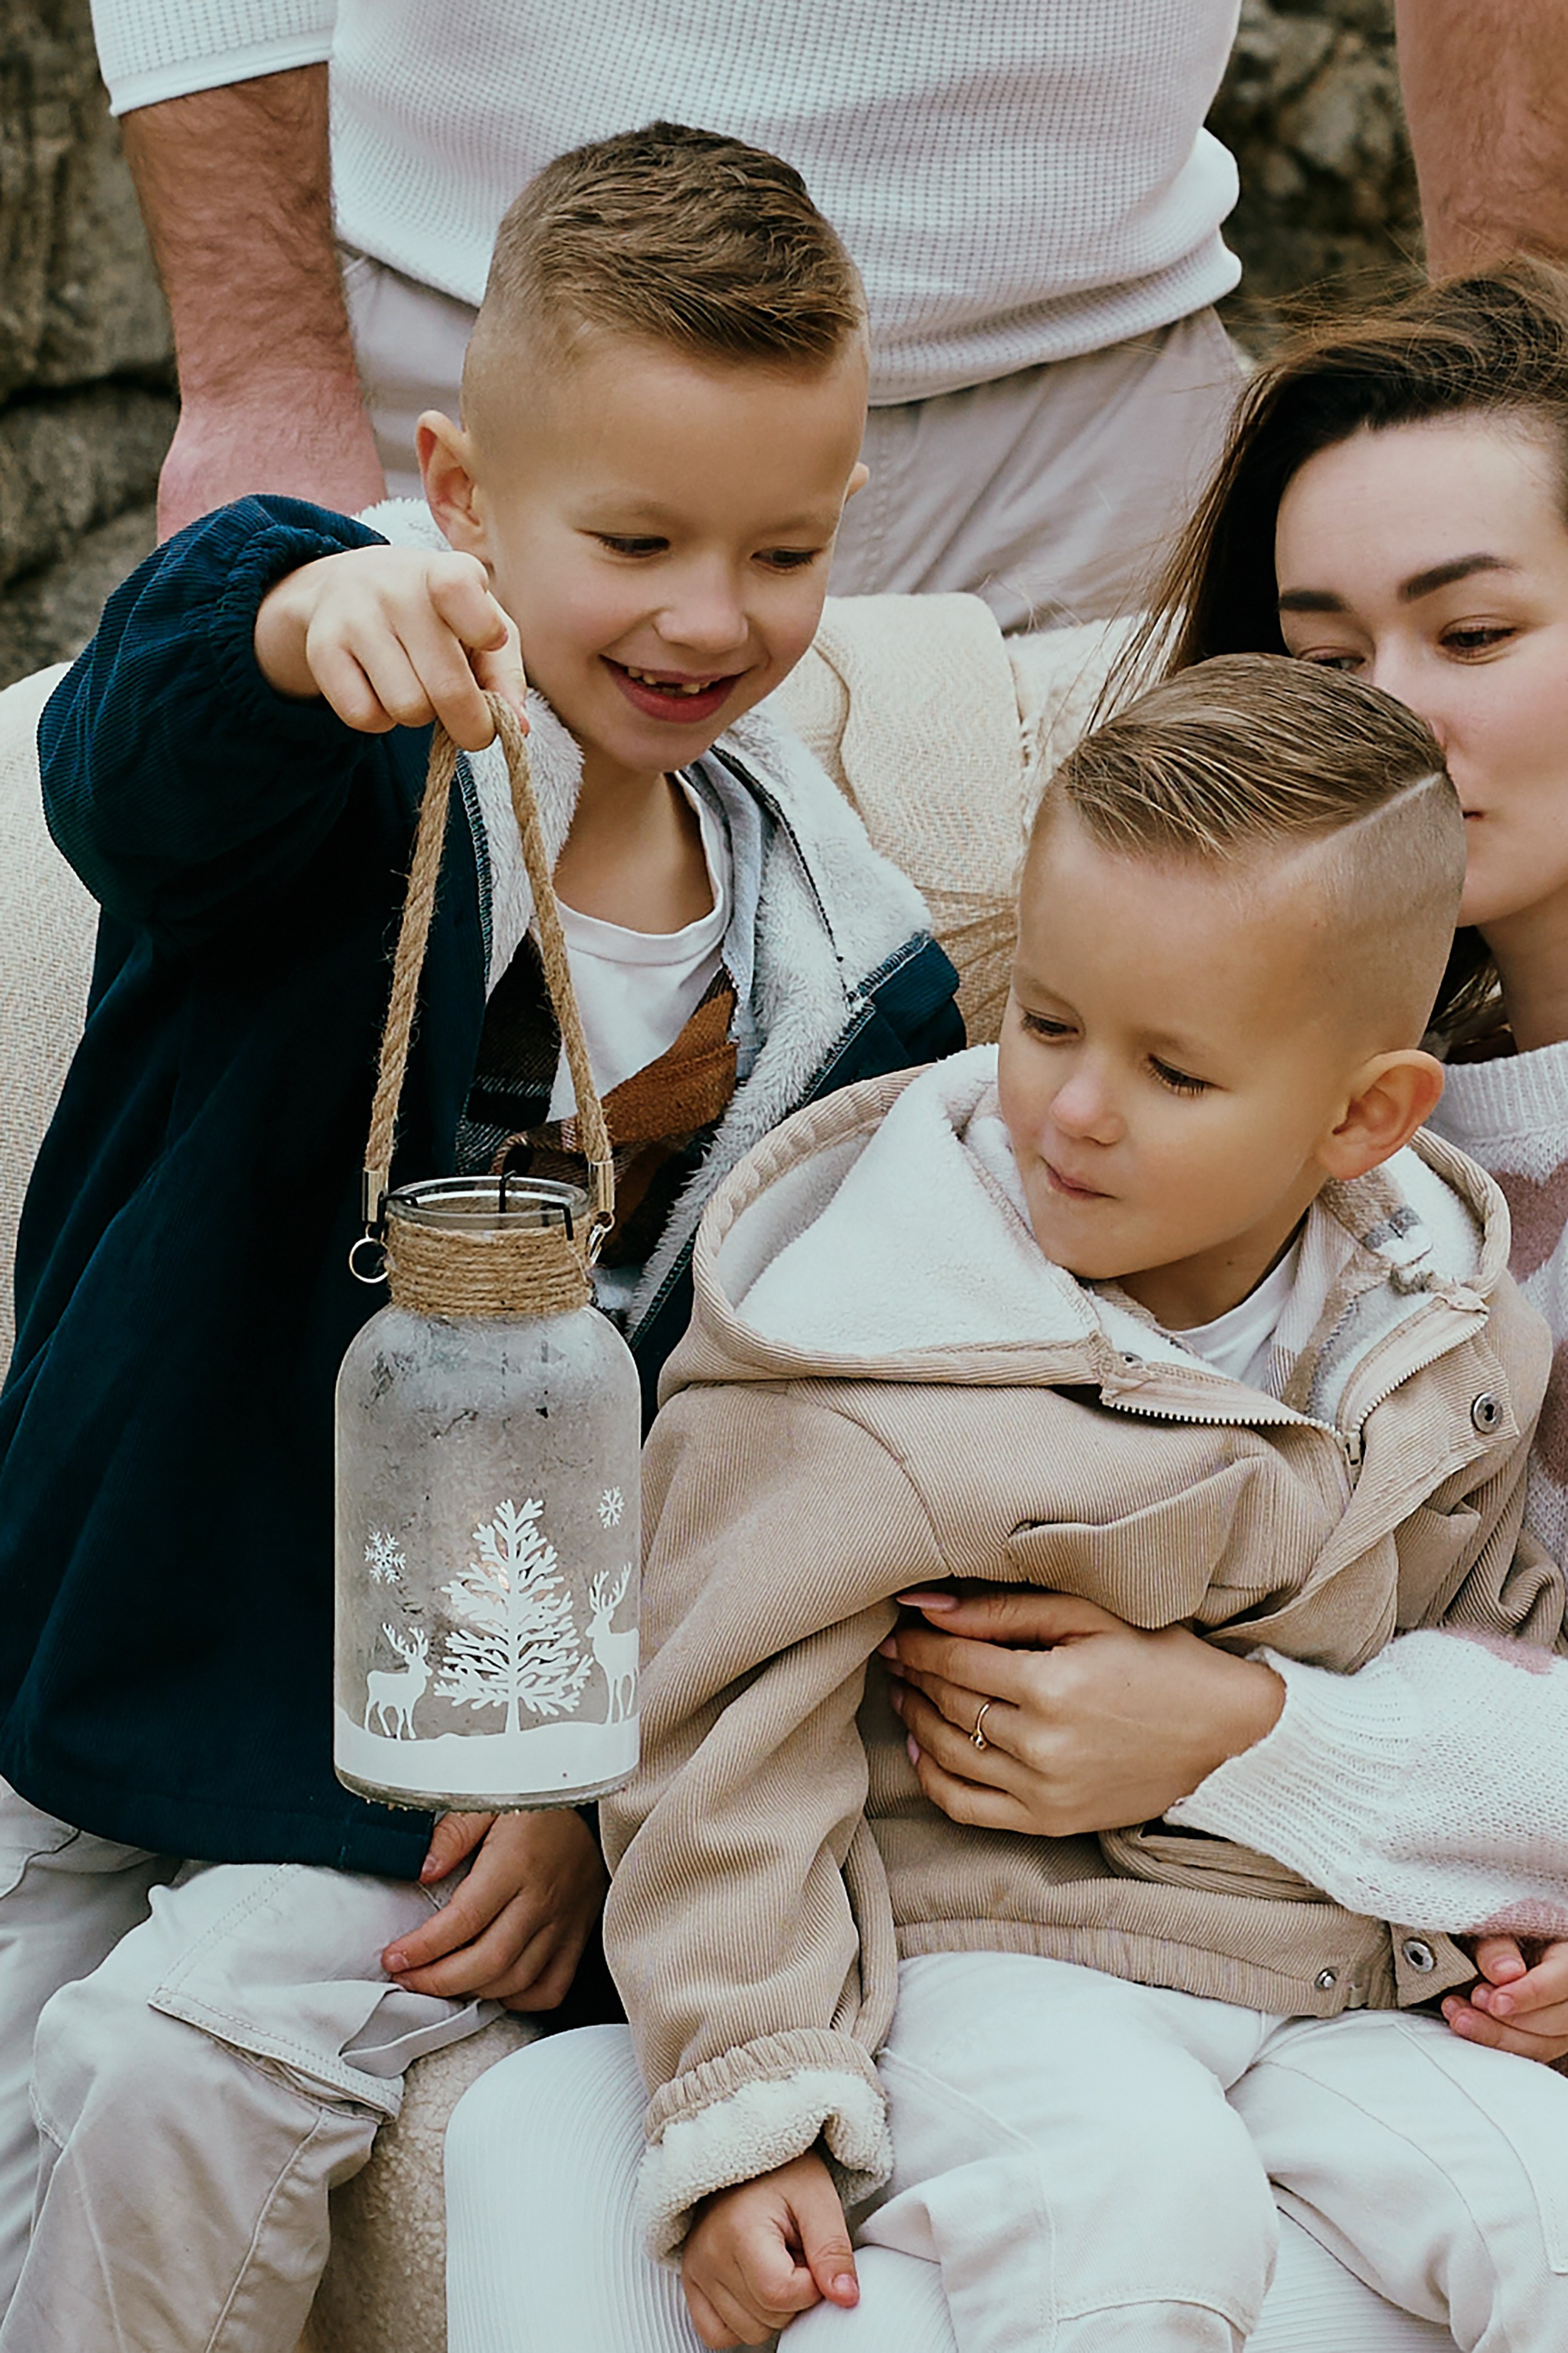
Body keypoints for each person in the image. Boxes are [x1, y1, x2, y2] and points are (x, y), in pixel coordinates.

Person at [0, 123, 960, 2352]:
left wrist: (595, 1791)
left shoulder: (853, 978)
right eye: (634, 539)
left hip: (444, 1761)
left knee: (171, 2078)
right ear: (461, 492)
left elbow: (776, 1448)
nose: (708, 615)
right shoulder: (341, 754)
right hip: (117, 1610)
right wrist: (288, 608)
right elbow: (136, 758)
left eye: (785, 549)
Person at [462, 654, 1568, 2353]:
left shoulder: (1444, 1333)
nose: (1073, 1109)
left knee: (1543, 2210)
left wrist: (1508, 1915)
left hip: (1322, 1967)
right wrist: (751, 2095)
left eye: (1172, 1073)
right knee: (1136, 2211)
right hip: (983, 1952)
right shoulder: (872, 1337)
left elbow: (1489, 1637)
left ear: (1365, 1116)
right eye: (1047, 1022)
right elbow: (711, 1750)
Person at [92, 0, 1258, 625]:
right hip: (483, 364)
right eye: (643, 550)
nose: (709, 626)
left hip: (1103, 419)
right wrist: (261, 381)